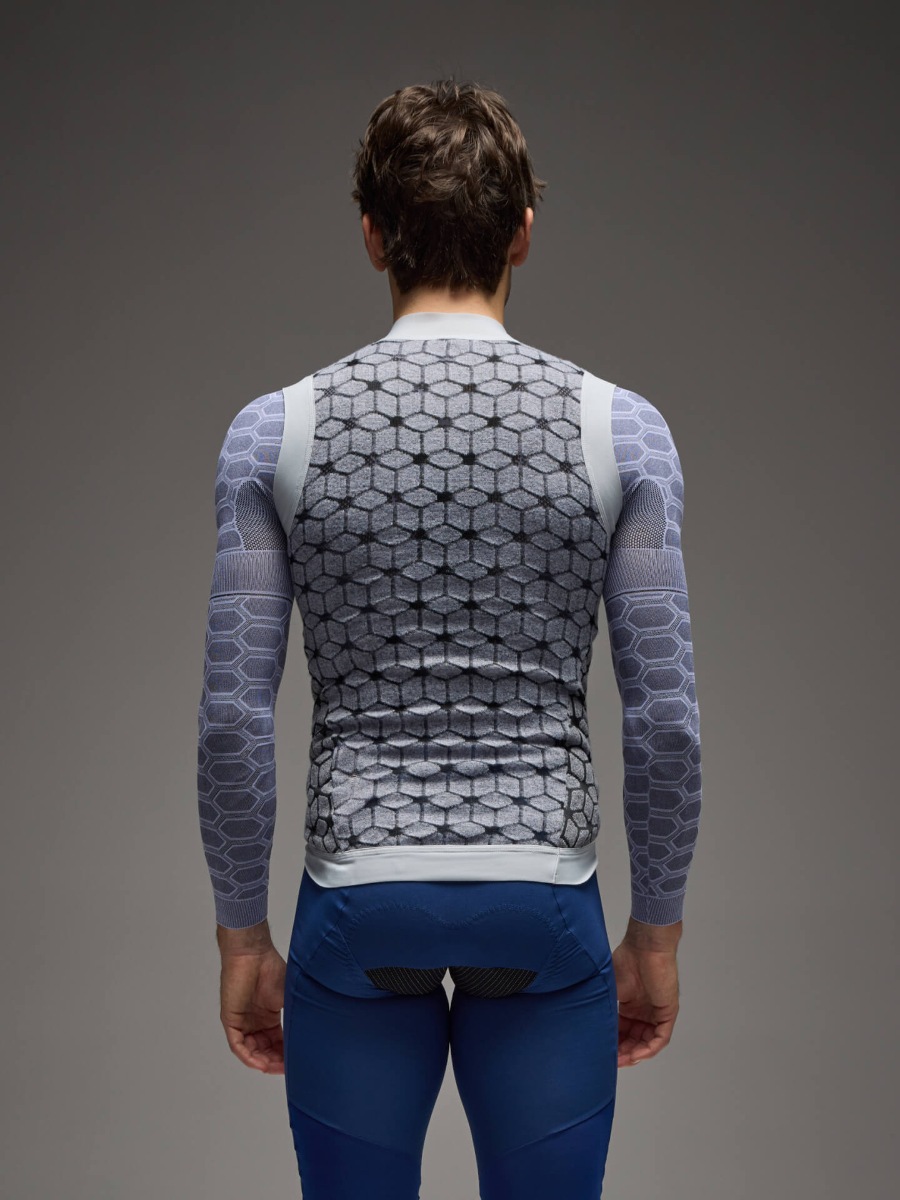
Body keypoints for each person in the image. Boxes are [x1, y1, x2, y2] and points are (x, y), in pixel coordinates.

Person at [197, 78, 702, 1199]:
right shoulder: (622, 432)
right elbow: (665, 719)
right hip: (544, 891)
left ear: (373, 236)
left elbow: (234, 717)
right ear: (522, 231)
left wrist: (243, 940)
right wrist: (656, 936)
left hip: (358, 894)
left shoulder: (274, 434)